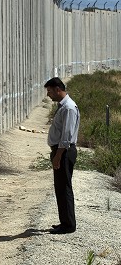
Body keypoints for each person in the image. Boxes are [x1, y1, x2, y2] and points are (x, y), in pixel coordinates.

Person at [44, 77, 80, 234]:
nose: (48, 95)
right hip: (60, 151)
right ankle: (64, 222)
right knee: (60, 187)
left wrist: (58, 156)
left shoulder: (69, 108)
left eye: (50, 91)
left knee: (64, 188)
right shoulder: (64, 106)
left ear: (58, 89)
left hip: (64, 152)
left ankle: (69, 225)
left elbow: (66, 137)